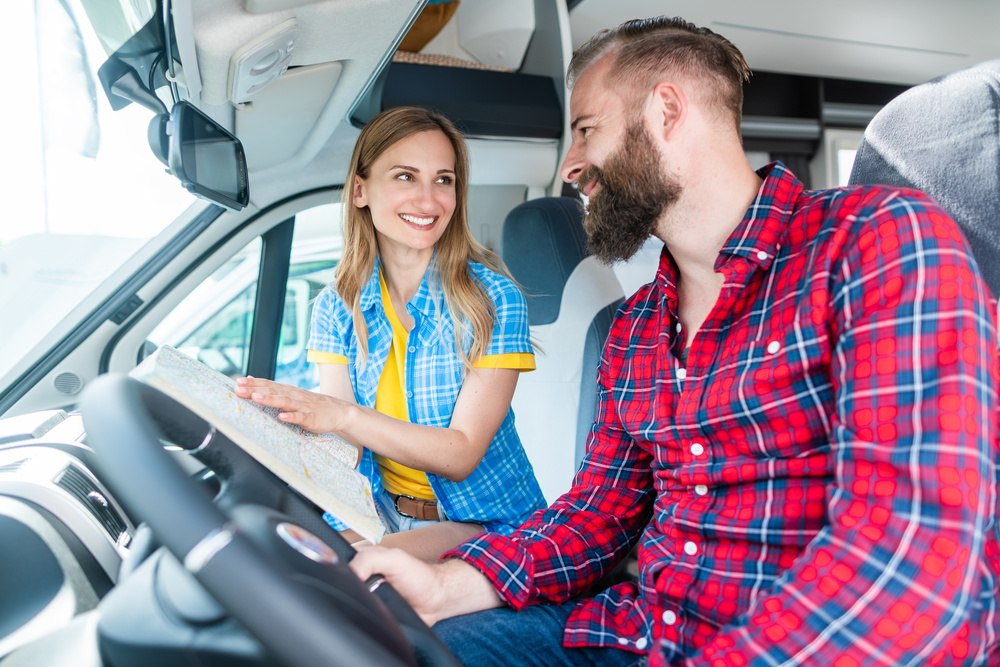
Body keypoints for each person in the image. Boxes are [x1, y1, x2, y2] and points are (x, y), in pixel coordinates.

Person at [350, 16, 1000, 666]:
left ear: (665, 110)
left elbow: (908, 561)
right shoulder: (636, 327)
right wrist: (451, 583)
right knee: (393, 644)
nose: (571, 164)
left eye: (585, 131)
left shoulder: (876, 243)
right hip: (634, 634)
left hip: (802, 646)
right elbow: (594, 517)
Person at [236, 106, 546, 562]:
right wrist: (274, 427)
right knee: (278, 561)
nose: (428, 200)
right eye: (405, 177)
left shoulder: (492, 299)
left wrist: (340, 415)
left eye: (444, 180)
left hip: (485, 523)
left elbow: (459, 456)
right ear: (360, 191)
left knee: (349, 575)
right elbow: (347, 446)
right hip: (376, 513)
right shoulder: (336, 307)